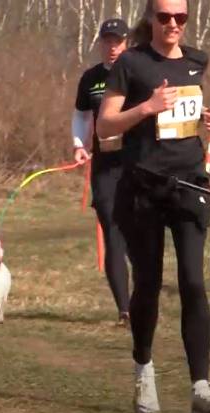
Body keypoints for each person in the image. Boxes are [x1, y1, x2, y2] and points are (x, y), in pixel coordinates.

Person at [97, 0, 210, 413]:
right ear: (151, 19)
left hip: (190, 185)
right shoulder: (131, 63)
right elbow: (105, 126)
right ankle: (144, 369)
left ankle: (201, 390)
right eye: (165, 17)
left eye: (181, 18)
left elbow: (187, 118)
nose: (173, 24)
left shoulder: (197, 61)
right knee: (149, 283)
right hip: (142, 189)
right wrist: (146, 108)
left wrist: (207, 123)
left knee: (193, 280)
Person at [73, 18, 131, 326]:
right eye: (107, 41)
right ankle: (125, 309)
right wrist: (79, 144)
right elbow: (81, 115)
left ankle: (144, 296)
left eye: (118, 41)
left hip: (137, 164)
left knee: (139, 235)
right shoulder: (91, 78)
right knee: (112, 231)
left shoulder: (139, 72)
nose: (112, 47)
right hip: (106, 167)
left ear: (127, 43)